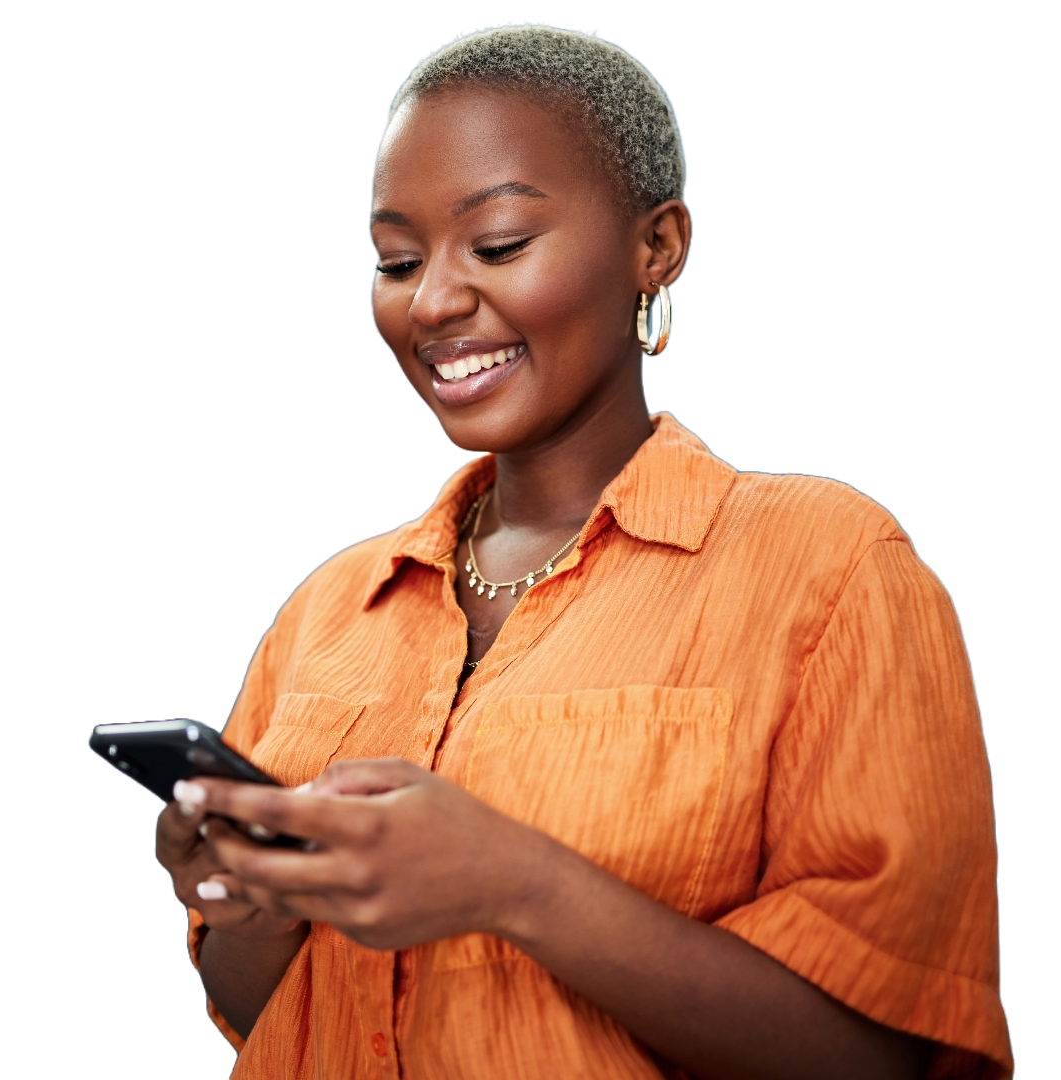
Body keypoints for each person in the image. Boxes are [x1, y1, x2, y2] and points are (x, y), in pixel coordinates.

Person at [154, 23, 1012, 1080]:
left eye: (501, 243)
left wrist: (516, 883)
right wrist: (248, 908)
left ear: (656, 246)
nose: (431, 303)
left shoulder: (829, 570)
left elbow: (880, 1055)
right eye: (397, 260)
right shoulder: (331, 607)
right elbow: (267, 1013)